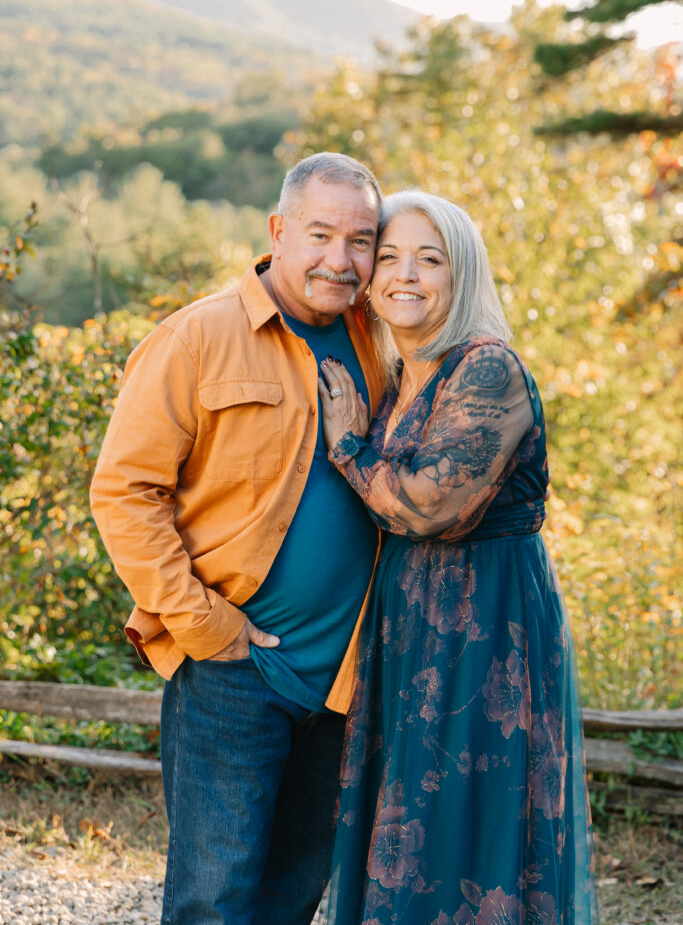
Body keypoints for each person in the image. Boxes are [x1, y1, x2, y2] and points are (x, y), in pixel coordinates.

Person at [89, 152, 387, 925]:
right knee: (213, 901)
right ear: (278, 231)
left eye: (360, 241)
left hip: (343, 680)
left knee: (292, 897)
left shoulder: (380, 348)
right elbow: (124, 491)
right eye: (319, 234)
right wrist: (202, 624)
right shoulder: (197, 337)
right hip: (234, 671)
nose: (339, 259)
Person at [318, 191, 597, 924]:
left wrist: (348, 446)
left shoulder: (485, 368)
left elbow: (426, 504)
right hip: (409, 621)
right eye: (388, 257)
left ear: (461, 275)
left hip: (488, 626)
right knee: (406, 826)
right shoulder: (394, 374)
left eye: (429, 259)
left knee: (467, 829)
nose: (404, 274)